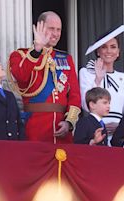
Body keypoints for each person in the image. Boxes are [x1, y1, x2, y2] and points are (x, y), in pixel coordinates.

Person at [8, 11, 81, 144]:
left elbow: (75, 95)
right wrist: (37, 50)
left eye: (58, 29)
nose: (56, 33)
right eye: (51, 29)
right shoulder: (20, 55)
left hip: (62, 130)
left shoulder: (66, 58)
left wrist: (69, 122)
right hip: (35, 128)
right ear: (39, 28)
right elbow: (20, 76)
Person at [79, 25, 124, 145]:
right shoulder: (87, 72)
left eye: (113, 47)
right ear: (98, 51)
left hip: (120, 133)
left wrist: (121, 126)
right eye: (104, 47)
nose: (109, 51)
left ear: (118, 52)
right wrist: (98, 79)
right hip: (95, 131)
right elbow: (86, 104)